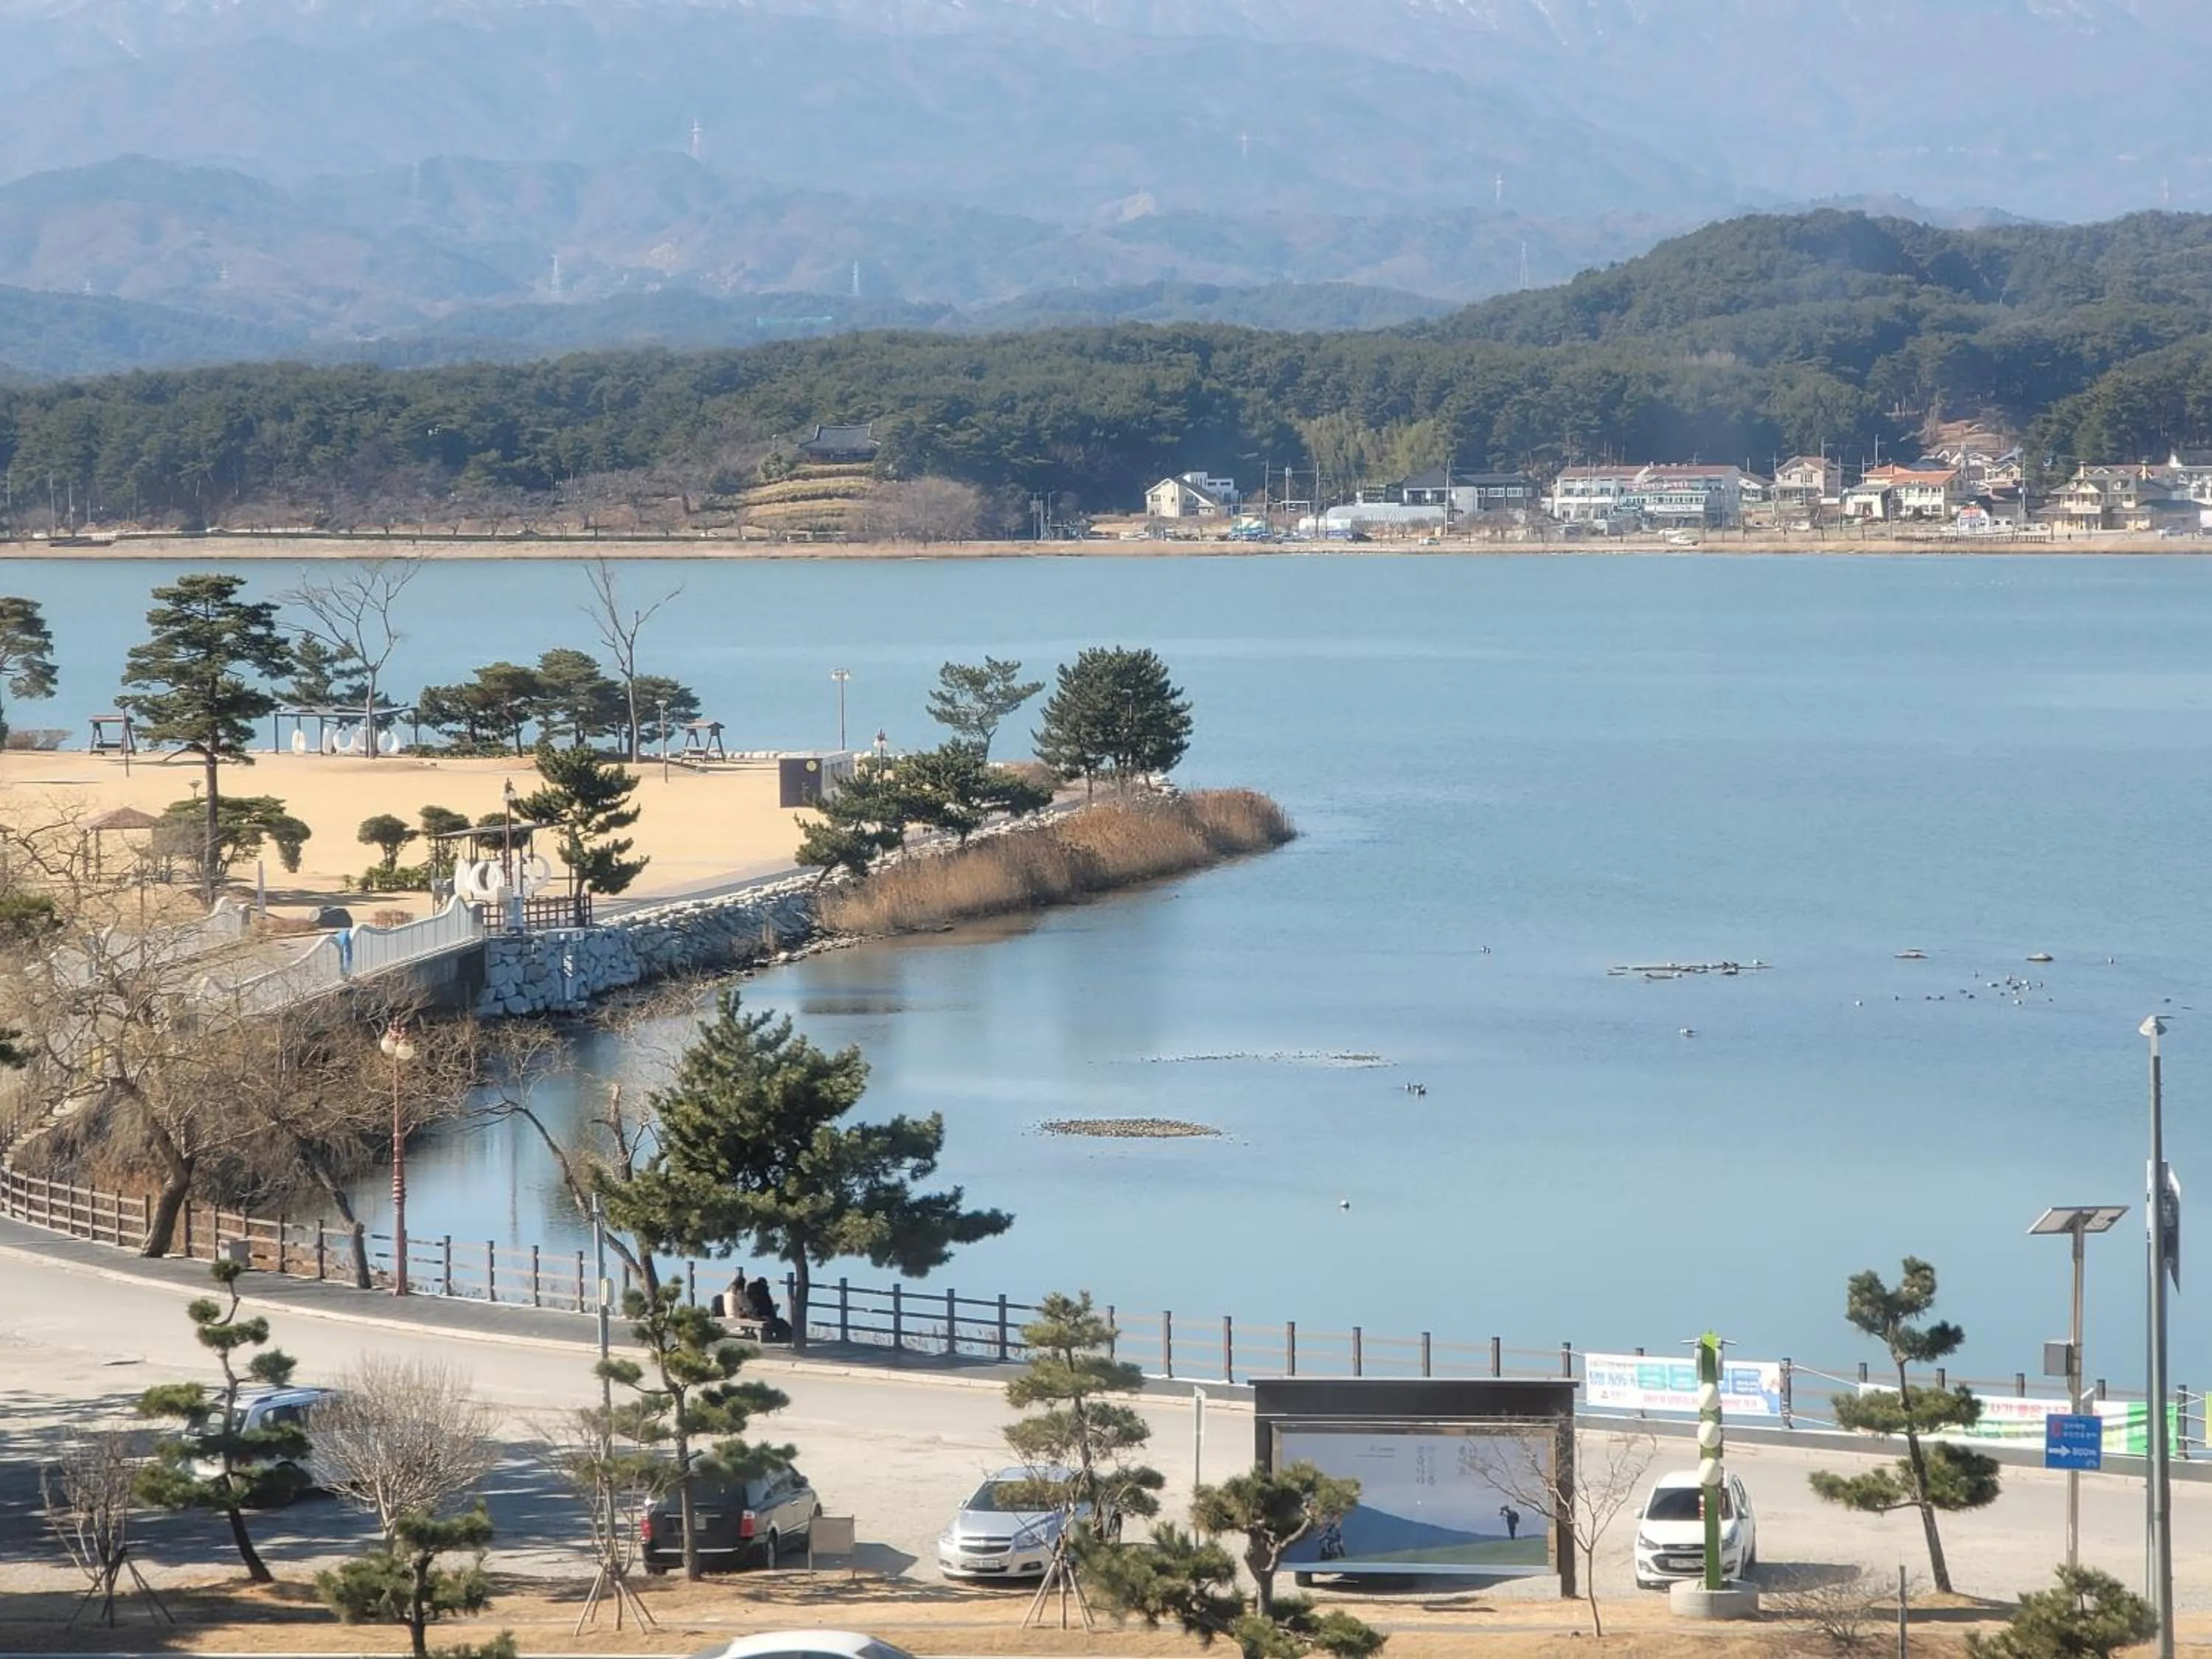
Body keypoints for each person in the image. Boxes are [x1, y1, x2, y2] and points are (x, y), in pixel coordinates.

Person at [747, 1276, 792, 1343]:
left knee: (779, 1322)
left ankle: (778, 1337)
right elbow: (766, 1307)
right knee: (782, 1324)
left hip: (753, 1315)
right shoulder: (763, 1293)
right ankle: (782, 1339)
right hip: (761, 1316)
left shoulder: (751, 1292)